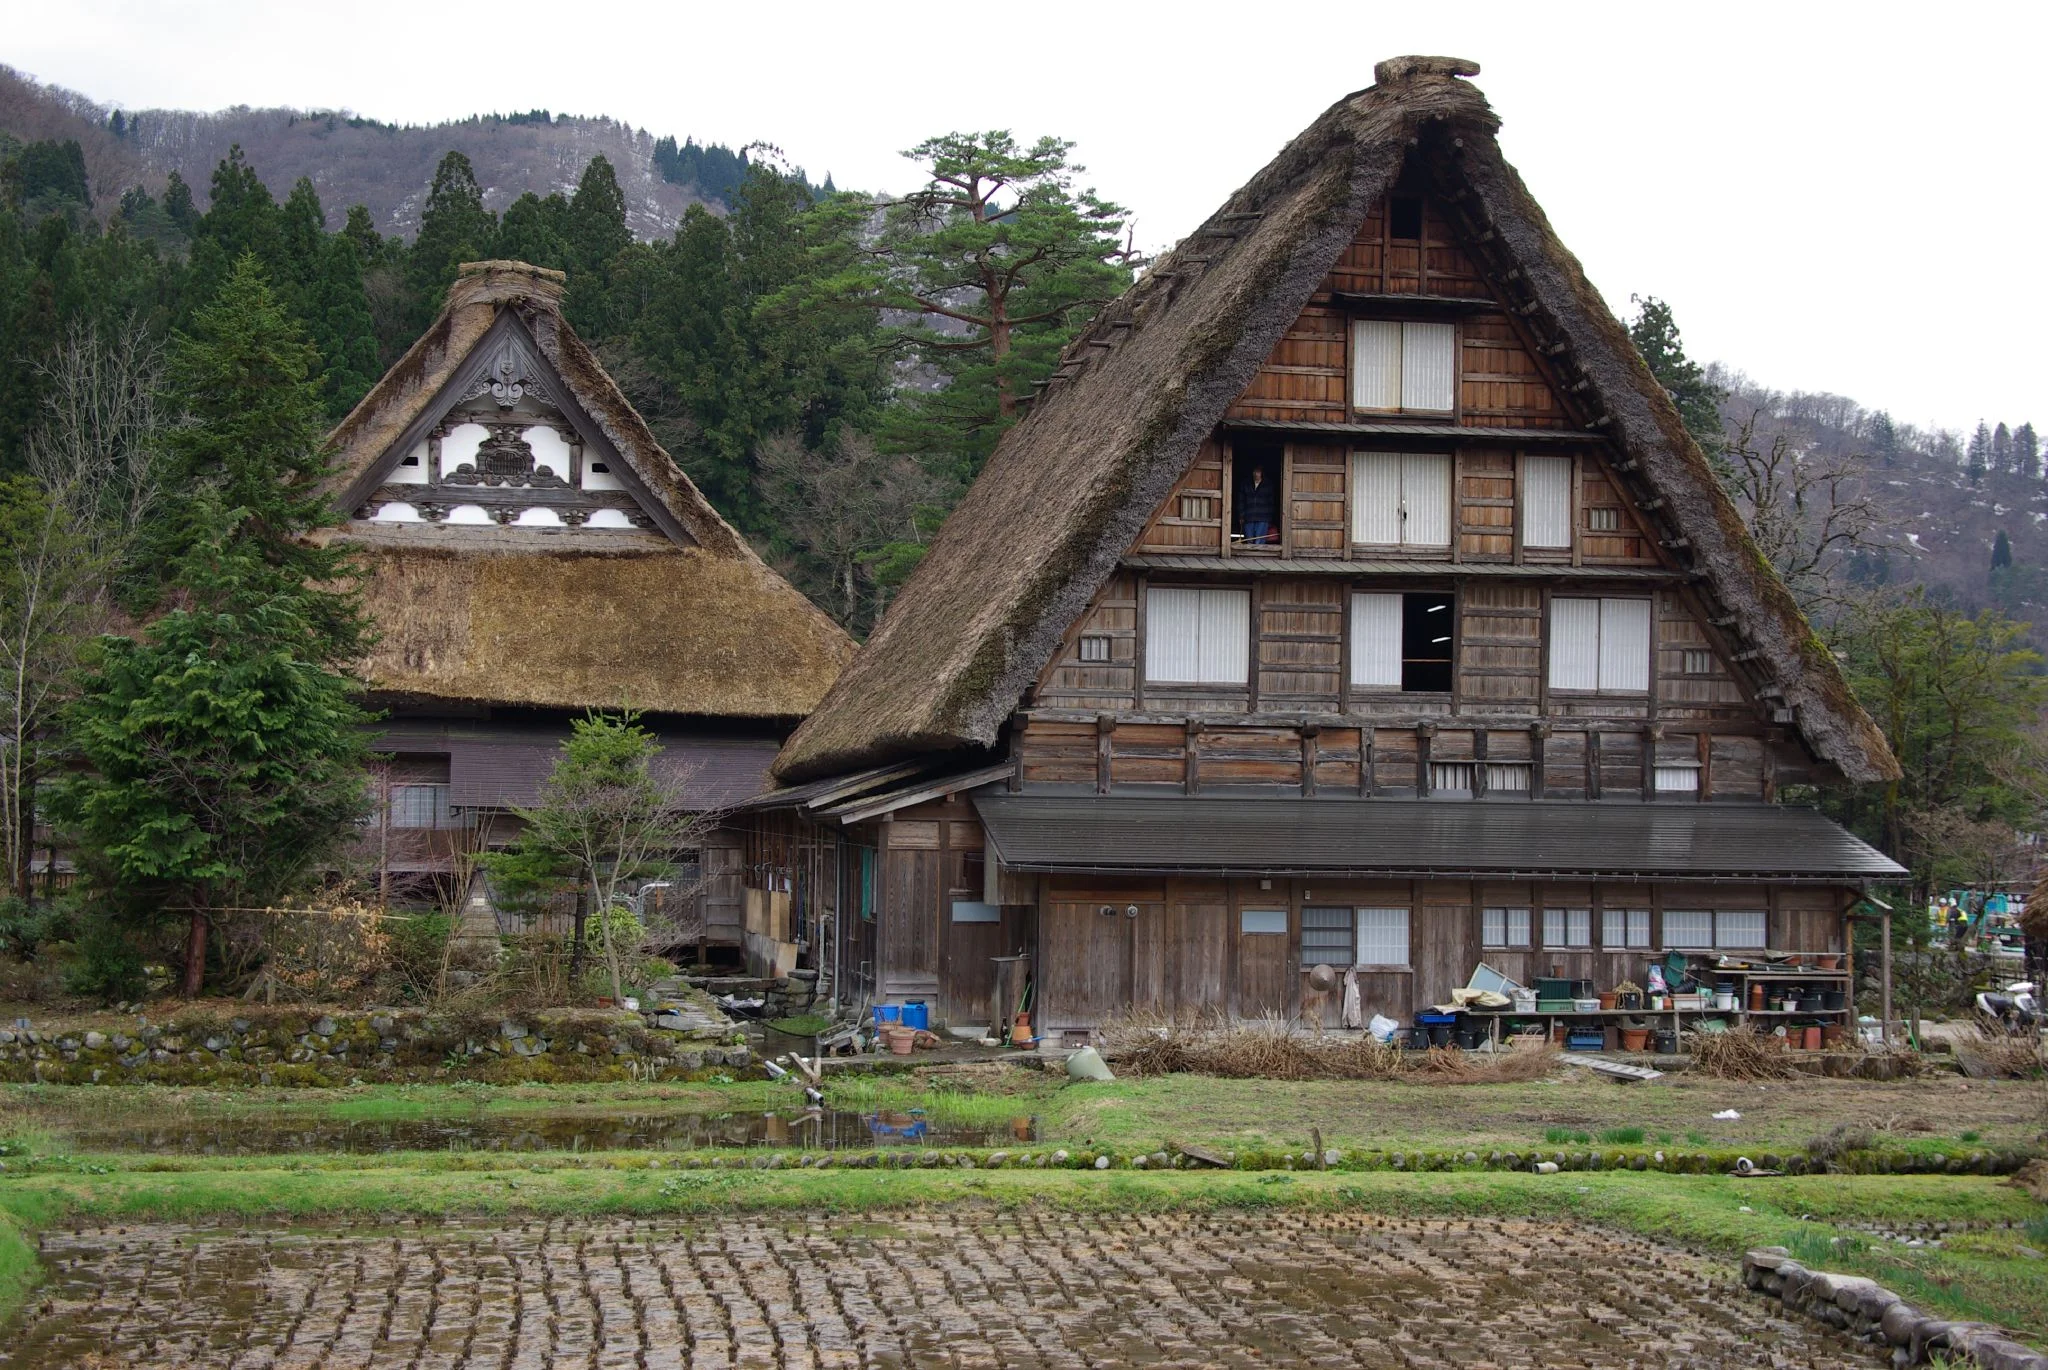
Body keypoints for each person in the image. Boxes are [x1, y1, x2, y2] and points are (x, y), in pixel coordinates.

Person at [1239, 465, 1278, 545]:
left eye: (1258, 472)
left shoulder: (1268, 485)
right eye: (1254, 471)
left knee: (1259, 542)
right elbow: (1241, 501)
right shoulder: (1246, 484)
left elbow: (1271, 503)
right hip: (1248, 517)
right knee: (1249, 541)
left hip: (1263, 518)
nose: (1256, 474)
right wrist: (1241, 515)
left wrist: (1269, 518)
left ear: (1262, 473)